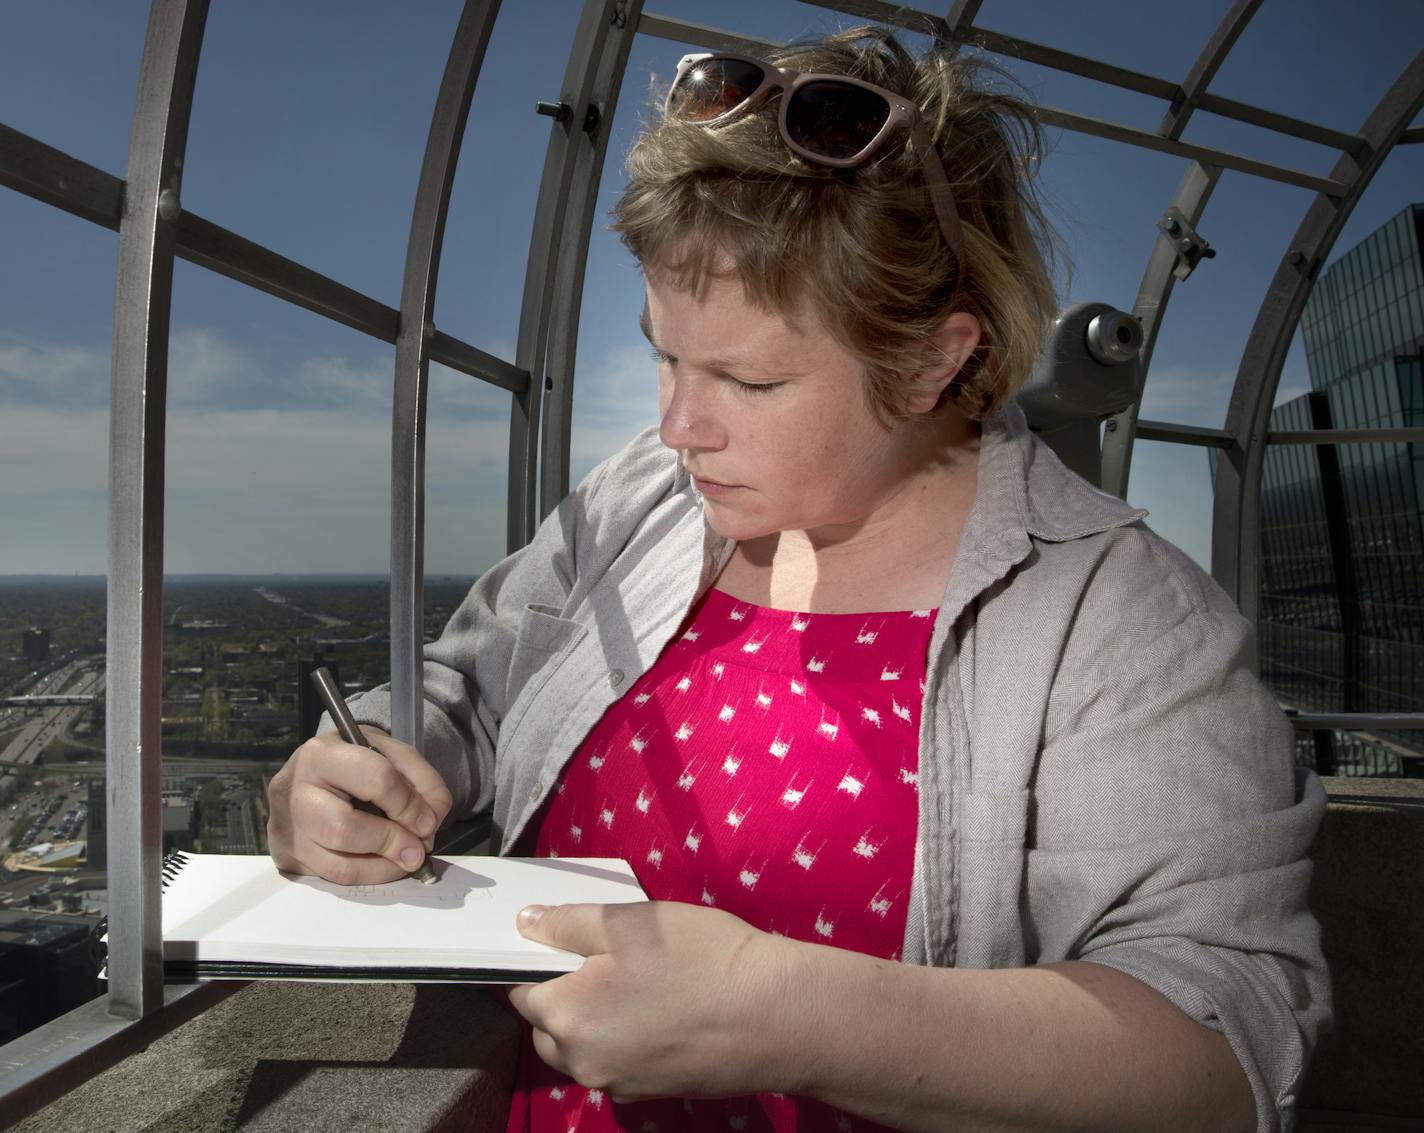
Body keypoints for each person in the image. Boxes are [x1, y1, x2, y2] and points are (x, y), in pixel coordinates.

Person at [266, 26, 1329, 1133]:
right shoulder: (643, 495)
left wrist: (796, 1016)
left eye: (751, 378)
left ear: (934, 359)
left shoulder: (1124, 622)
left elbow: (1224, 1043)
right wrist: (367, 764)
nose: (678, 424)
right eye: (664, 353)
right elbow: (471, 694)